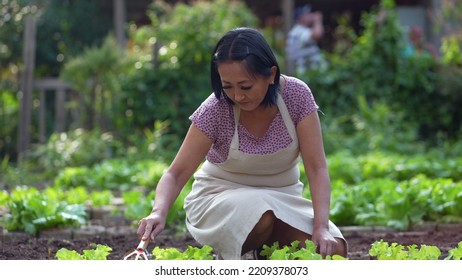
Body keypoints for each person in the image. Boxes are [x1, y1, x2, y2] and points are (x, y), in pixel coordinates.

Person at [137, 27, 347, 260]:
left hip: (282, 200)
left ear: (271, 74)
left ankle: (265, 253)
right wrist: (158, 212)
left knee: (331, 249)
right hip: (220, 200)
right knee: (259, 211)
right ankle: (227, 255)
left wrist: (321, 227)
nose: (237, 96)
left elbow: (317, 168)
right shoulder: (216, 108)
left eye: (245, 86)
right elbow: (175, 174)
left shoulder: (296, 96)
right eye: (227, 86)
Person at [286, 5, 326, 74]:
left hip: (304, 72)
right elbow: (316, 35)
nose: (310, 15)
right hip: (308, 73)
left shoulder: (296, 30)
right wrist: (317, 20)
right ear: (300, 18)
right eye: (307, 14)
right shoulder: (299, 31)